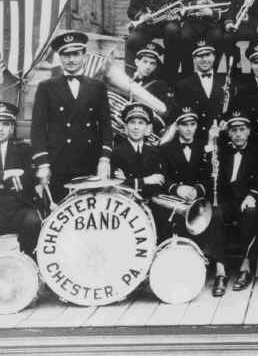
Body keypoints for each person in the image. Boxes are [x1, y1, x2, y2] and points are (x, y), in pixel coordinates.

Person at [31, 32, 112, 201]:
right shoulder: (46, 87)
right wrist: (43, 163)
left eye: (75, 54)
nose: (71, 59)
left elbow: (106, 126)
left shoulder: (98, 87)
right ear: (60, 57)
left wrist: (104, 159)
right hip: (58, 163)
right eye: (66, 55)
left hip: (89, 161)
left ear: (83, 54)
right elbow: (37, 129)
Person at [160, 107, 227, 297]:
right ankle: (183, 271)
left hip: (199, 200)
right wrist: (178, 189)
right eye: (184, 125)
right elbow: (164, 177)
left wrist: (198, 189)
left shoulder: (204, 146)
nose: (189, 129)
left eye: (192, 124)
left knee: (217, 214)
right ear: (177, 127)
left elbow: (211, 177)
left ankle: (221, 271)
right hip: (176, 201)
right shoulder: (165, 149)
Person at [215, 110, 258, 291]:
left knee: (250, 213)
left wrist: (252, 195)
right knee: (216, 214)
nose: (238, 134)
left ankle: (246, 266)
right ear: (228, 133)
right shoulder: (221, 151)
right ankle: (220, 271)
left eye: (242, 129)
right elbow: (214, 179)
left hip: (246, 198)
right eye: (234, 130)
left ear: (249, 131)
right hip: (226, 200)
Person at [125, 0, 185, 84]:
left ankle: (169, 77)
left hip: (168, 25)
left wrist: (176, 17)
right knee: (133, 40)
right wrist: (142, 15)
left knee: (174, 32)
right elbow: (131, 9)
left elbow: (182, 8)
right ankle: (133, 78)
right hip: (148, 25)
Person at [0, 102, 41, 256]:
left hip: (18, 207)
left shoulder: (24, 149)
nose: (0, 129)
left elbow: (33, 175)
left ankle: (28, 260)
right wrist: (6, 175)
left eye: (5, 124)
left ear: (12, 127)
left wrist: (18, 179)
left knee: (33, 220)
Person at [180, 0, 230, 79]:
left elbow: (226, 13)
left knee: (218, 37)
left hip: (211, 25)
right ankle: (187, 75)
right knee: (185, 36)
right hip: (193, 24)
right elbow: (183, 7)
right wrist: (196, 4)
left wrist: (211, 13)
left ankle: (214, 75)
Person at [174, 40, 226, 142]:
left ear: (214, 57)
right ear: (194, 59)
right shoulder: (182, 85)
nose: (204, 59)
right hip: (195, 140)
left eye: (208, 55)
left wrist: (226, 121)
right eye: (200, 56)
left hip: (222, 138)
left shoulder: (226, 81)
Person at [111, 103, 165, 199]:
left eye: (141, 123)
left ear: (147, 129)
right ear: (126, 127)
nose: (136, 127)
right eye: (132, 122)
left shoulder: (154, 152)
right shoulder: (116, 152)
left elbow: (159, 183)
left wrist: (129, 181)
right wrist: (146, 180)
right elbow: (116, 185)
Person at [131, 41, 176, 123]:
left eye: (152, 63)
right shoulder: (127, 79)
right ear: (137, 62)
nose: (148, 67)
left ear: (155, 66)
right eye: (145, 61)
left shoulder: (160, 86)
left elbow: (170, 113)